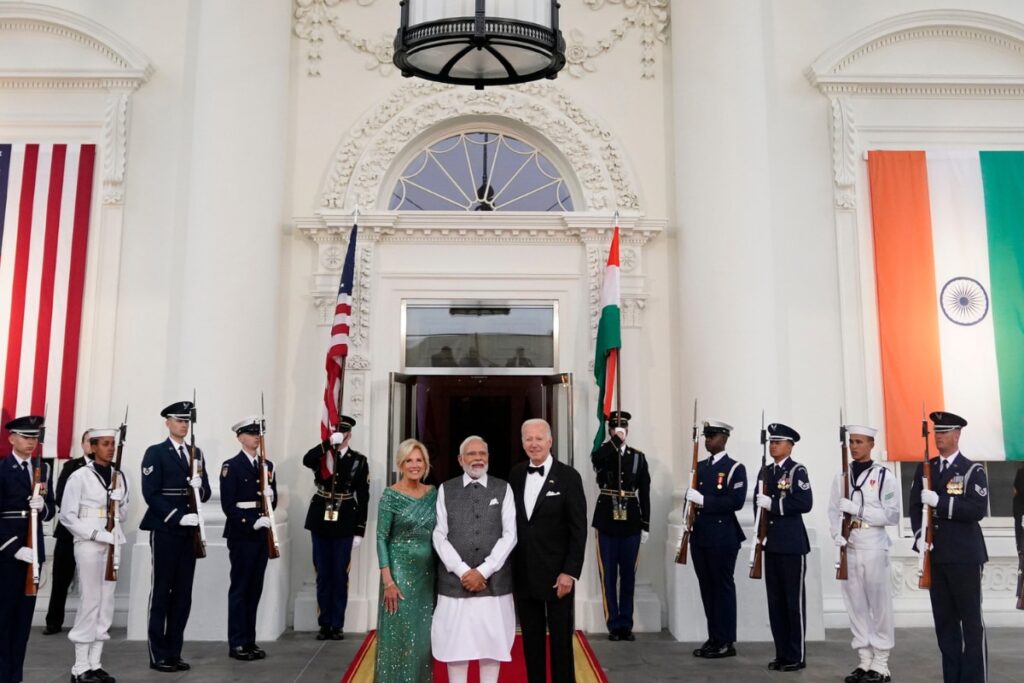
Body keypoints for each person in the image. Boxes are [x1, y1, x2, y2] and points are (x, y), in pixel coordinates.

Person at [910, 411, 989, 683]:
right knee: (945, 625)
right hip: (937, 555)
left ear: (957, 434)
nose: (939, 437)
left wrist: (939, 502)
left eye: (944, 432)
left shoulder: (971, 470)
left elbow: (976, 509)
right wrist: (919, 535)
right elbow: (914, 507)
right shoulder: (926, 468)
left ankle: (975, 679)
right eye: (936, 432)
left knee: (971, 624)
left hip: (965, 556)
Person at [432, 436, 517, 683]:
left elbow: (510, 535)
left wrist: (484, 570)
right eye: (471, 454)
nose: (477, 458)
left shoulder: (504, 488)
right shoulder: (446, 489)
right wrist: (461, 570)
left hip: (494, 585)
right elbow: (439, 534)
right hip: (454, 585)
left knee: (491, 647)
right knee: (455, 648)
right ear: (460, 460)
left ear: (488, 458)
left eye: (482, 453)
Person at [510, 418, 587, 683]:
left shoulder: (569, 477)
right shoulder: (516, 474)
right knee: (530, 641)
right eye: (528, 439)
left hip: (558, 576)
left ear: (550, 441)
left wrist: (570, 572)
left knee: (561, 642)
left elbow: (579, 530)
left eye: (538, 438)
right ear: (522, 443)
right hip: (525, 575)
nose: (533, 444)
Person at [139, 401, 212, 673]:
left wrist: (199, 487)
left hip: (189, 529)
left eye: (186, 421)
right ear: (167, 422)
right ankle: (157, 653)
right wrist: (176, 516)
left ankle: (174, 651)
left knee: (183, 594)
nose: (183, 425)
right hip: (167, 527)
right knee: (162, 591)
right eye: (178, 420)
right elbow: (151, 493)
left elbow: (203, 492)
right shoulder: (156, 453)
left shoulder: (196, 453)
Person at [828, 425, 899, 683]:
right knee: (854, 603)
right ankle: (864, 658)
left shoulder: (883, 476)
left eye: (859, 442)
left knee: (878, 605)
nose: (854, 446)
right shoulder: (842, 475)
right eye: (851, 442)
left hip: (872, 542)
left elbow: (892, 515)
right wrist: (836, 533)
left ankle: (881, 662)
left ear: (871, 444)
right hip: (850, 543)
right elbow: (833, 509)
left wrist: (859, 511)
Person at [60, 427, 129, 683]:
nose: (110, 448)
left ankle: (95, 663)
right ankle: (80, 667)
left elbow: (123, 514)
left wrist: (119, 502)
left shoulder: (119, 476)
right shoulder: (79, 476)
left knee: (106, 601)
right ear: (93, 447)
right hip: (89, 541)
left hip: (113, 541)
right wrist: (94, 534)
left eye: (113, 444)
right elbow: (67, 515)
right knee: (90, 600)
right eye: (105, 444)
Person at [301, 414, 369, 640]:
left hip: (345, 521)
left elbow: (364, 496)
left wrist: (360, 530)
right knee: (323, 573)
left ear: (350, 434)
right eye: (336, 432)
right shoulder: (323, 456)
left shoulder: (359, 460)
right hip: (321, 518)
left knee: (340, 574)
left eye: (344, 432)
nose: (341, 436)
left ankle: (337, 623)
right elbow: (306, 459)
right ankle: (324, 623)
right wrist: (327, 443)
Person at [374, 438, 437, 682]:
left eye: (418, 460)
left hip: (427, 574)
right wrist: (388, 581)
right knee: (399, 634)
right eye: (409, 460)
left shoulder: (432, 493)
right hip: (398, 574)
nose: (414, 465)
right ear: (401, 464)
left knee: (422, 637)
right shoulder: (391, 495)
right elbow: (381, 538)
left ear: (425, 464)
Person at [0, 414, 55, 683]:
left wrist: (42, 507)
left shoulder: (42, 470)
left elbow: (50, 509)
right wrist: (12, 549)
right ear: (12, 439)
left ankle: (15, 676)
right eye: (25, 436)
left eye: (34, 437)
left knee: (23, 623)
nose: (31, 442)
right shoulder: (2, 469)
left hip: (34, 553)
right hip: (9, 555)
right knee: (3, 620)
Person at [686, 419, 747, 659]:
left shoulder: (735, 468)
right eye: (706, 436)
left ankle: (726, 640)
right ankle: (714, 637)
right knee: (707, 588)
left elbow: (736, 501)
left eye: (712, 436)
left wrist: (704, 501)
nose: (708, 440)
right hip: (700, 535)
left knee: (722, 588)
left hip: (723, 536)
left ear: (724, 438)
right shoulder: (699, 467)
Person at [754, 422, 812, 672]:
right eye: (771, 442)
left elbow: (804, 502)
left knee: (793, 603)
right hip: (771, 543)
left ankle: (796, 655)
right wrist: (759, 535)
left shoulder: (797, 471)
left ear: (790, 445)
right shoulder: (765, 471)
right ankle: (781, 653)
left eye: (778, 442)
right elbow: (758, 506)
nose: (773, 446)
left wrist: (774, 504)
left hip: (791, 544)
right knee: (775, 603)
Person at [220, 417, 278, 661]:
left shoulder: (267, 465)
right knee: (241, 589)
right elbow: (228, 505)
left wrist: (270, 496)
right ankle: (237, 643)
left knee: (255, 589)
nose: (257, 437)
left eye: (259, 433)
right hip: (243, 534)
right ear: (240, 437)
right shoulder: (231, 466)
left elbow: (271, 502)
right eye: (252, 433)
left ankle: (249, 640)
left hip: (262, 533)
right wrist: (250, 521)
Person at [590, 410, 651, 642]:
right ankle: (613, 623)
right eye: (615, 428)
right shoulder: (603, 453)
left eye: (623, 428)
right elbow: (597, 461)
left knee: (628, 575)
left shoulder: (638, 457)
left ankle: (626, 623)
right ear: (610, 430)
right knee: (608, 575)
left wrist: (646, 524)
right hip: (606, 519)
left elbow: (644, 492)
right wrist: (614, 442)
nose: (620, 432)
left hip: (631, 520)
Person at [44, 430, 94, 636]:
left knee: (92, 581)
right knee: (61, 579)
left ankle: (92, 621)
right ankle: (54, 621)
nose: (93, 446)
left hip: (93, 531)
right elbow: (60, 496)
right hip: (68, 532)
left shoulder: (110, 469)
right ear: (82, 444)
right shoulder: (71, 467)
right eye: (90, 442)